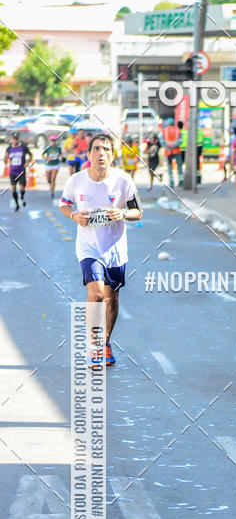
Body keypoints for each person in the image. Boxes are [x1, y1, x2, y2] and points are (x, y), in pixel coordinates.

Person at [59, 133, 142, 366]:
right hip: (88, 247)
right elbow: (64, 205)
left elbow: (138, 211)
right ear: (88, 154)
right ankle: (94, 346)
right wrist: (75, 216)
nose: (100, 153)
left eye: (106, 149)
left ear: (112, 155)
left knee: (111, 298)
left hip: (115, 248)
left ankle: (105, 343)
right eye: (96, 149)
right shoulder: (76, 180)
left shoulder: (123, 181)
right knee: (95, 293)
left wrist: (123, 213)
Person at [5, 134, 33, 210]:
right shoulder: (9, 148)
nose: (15, 140)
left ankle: (22, 196)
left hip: (21, 172)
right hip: (13, 172)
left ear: (18, 139)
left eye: (16, 138)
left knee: (21, 189)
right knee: (13, 188)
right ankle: (17, 204)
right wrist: (5, 158)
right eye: (14, 138)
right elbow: (5, 158)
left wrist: (27, 162)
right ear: (11, 139)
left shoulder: (23, 147)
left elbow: (30, 155)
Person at [162, 118, 182, 186]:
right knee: (179, 166)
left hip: (168, 152)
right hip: (176, 150)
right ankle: (181, 182)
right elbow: (180, 141)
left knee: (170, 167)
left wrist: (168, 147)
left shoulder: (164, 131)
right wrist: (174, 146)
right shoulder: (178, 130)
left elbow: (162, 141)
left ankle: (171, 182)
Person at [42, 134, 62, 199]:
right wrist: (47, 158)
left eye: (54, 140)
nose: (53, 142)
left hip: (56, 164)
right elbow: (42, 155)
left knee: (53, 178)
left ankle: (52, 192)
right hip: (48, 164)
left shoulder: (58, 147)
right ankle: (51, 185)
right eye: (52, 140)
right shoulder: (48, 147)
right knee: (48, 179)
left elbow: (60, 154)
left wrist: (60, 156)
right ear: (50, 141)